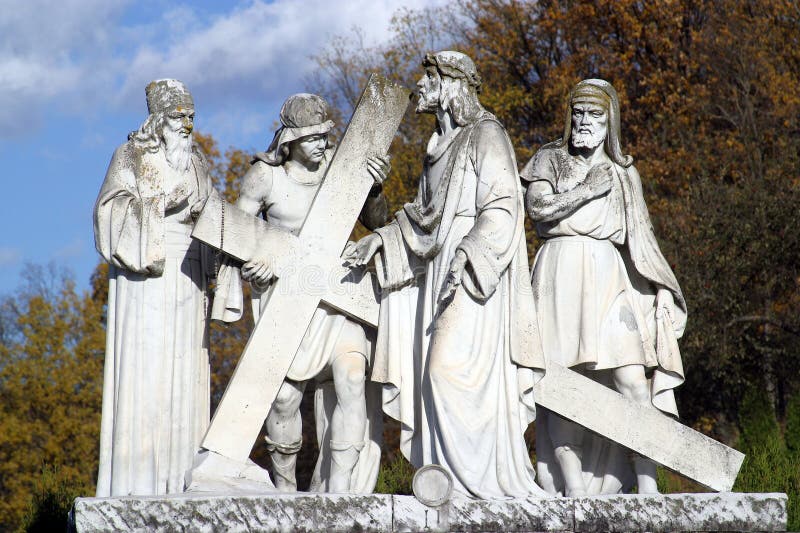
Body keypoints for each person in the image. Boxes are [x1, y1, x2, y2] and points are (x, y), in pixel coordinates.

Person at [344, 51, 546, 499]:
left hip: (474, 276)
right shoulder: (437, 146)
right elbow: (420, 225)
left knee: (445, 372)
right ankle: (448, 484)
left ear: (453, 84)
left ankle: (483, 486)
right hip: (437, 271)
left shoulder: (486, 135)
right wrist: (377, 207)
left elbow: (503, 207)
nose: (420, 84)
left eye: (429, 77)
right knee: (432, 378)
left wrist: (468, 253)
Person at [212, 93, 389, 493]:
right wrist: (252, 268)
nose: (323, 145)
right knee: (284, 400)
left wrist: (375, 190)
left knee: (351, 378)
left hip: (338, 295)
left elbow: (378, 220)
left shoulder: (341, 170)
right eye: (312, 138)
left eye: (326, 136)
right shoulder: (265, 177)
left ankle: (341, 489)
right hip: (287, 298)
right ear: (289, 141)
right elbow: (238, 236)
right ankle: (286, 490)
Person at [522, 78, 687, 495]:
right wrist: (584, 190)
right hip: (559, 271)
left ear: (609, 119)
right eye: (577, 112)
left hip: (610, 273)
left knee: (632, 377)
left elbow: (643, 239)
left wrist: (663, 289)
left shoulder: (624, 171)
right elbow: (538, 209)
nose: (583, 120)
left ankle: (648, 486)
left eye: (594, 114)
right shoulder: (549, 159)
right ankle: (573, 488)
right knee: (564, 381)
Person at [93, 79, 216, 496]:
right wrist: (163, 204)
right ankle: (137, 482)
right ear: (159, 118)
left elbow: (213, 215)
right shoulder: (130, 155)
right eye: (180, 116)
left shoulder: (198, 162)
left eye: (192, 116)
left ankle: (184, 478)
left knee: (187, 371)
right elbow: (109, 216)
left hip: (190, 277)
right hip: (147, 280)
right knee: (147, 372)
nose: (188, 124)